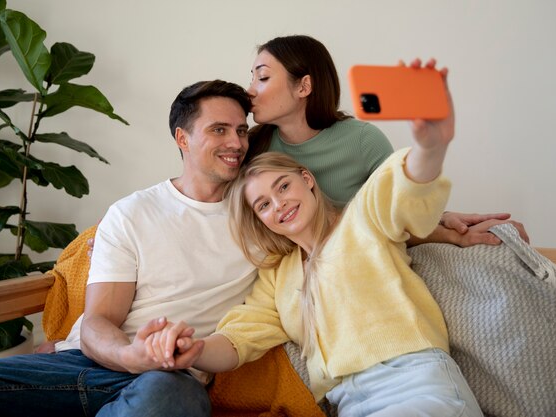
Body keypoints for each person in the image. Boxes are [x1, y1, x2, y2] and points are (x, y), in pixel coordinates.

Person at [145, 68, 484, 416]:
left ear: (306, 179)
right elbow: (237, 340)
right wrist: (194, 350)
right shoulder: (278, 276)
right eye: (263, 204)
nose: (279, 205)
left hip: (415, 382)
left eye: (283, 187)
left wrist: (431, 146)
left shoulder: (362, 220)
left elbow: (403, 188)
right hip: (349, 404)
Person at [0, 80, 257, 417]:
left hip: (166, 380)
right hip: (81, 364)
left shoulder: (261, 218)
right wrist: (130, 355)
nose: (236, 143)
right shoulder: (133, 212)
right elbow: (98, 321)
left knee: (171, 395)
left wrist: (151, 361)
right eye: (219, 130)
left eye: (241, 130)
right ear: (182, 139)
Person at [245, 34, 528, 247]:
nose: (250, 91)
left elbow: (397, 210)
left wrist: (445, 222)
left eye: (263, 77)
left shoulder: (362, 140)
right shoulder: (253, 150)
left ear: (304, 86)